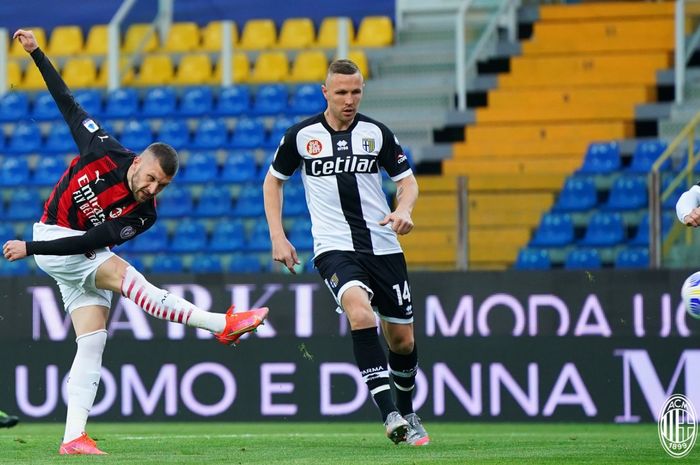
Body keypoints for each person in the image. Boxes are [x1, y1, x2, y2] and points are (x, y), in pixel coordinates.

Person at [3, 29, 269, 455]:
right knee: (135, 284)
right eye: (150, 178)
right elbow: (66, 102)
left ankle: (73, 437)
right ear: (140, 160)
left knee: (92, 341)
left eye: (161, 185)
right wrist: (36, 54)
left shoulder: (144, 213)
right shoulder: (101, 148)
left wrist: (33, 252)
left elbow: (95, 238)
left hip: (72, 249)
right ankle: (222, 324)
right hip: (53, 237)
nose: (152, 189)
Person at [262, 59, 428, 446]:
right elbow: (273, 182)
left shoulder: (377, 133)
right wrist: (277, 236)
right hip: (334, 247)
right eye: (341, 92)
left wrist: (403, 209)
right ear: (325, 92)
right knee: (359, 311)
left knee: (402, 341)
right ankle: (389, 415)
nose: (349, 100)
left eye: (355, 92)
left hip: (384, 247)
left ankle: (407, 410)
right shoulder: (301, 137)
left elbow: (407, 183)